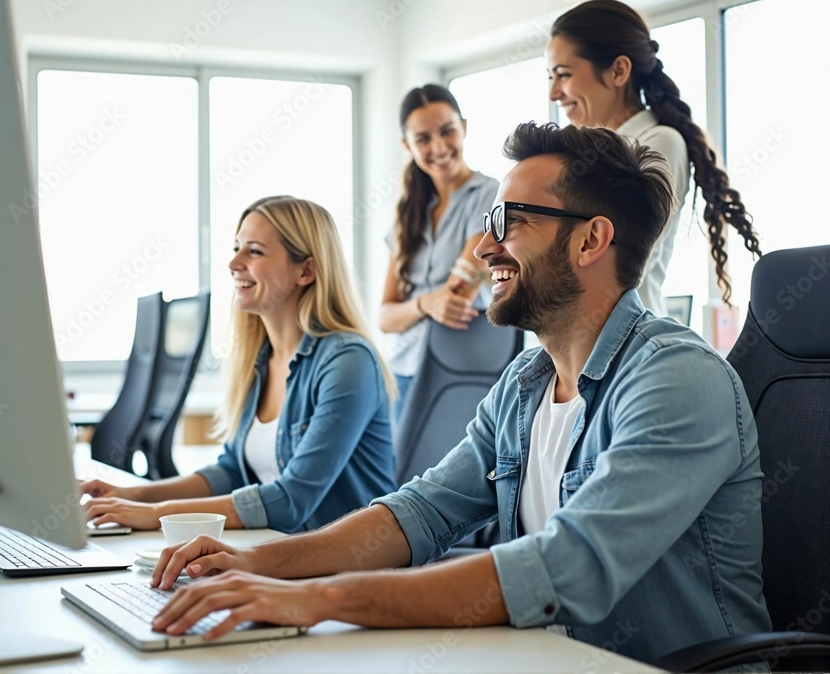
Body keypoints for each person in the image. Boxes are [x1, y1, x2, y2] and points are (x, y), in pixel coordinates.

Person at [144, 123, 770, 666]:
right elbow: (421, 512)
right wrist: (257, 566)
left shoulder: (674, 378)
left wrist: (319, 598)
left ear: (590, 240)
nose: (482, 247)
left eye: (509, 222)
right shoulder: (524, 386)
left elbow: (567, 568)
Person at [81, 196, 396, 533]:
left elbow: (291, 500)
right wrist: (133, 495)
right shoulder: (260, 360)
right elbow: (231, 471)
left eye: (255, 251)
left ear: (305, 271)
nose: (234, 263)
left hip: (346, 572)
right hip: (282, 556)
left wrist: (159, 514)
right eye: (236, 248)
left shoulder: (347, 362)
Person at [547, 0, 762, 316]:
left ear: (619, 70)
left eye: (563, 74)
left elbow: (609, 261)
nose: (554, 93)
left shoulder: (658, 144)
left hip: (626, 340)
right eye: (550, 77)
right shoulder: (589, 153)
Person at [379, 84, 500, 419]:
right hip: (404, 372)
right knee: (403, 471)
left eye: (448, 131)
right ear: (407, 145)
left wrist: (418, 305)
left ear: (465, 128)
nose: (439, 147)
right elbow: (384, 318)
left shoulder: (489, 196)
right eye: (423, 139)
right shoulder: (407, 213)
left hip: (459, 370)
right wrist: (425, 303)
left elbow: (458, 294)